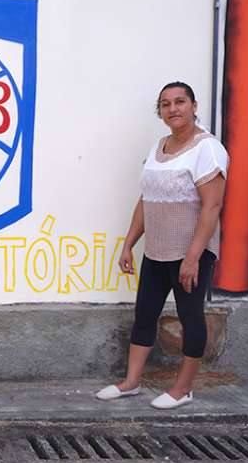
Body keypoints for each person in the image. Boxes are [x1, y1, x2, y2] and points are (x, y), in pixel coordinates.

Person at [96, 82, 228, 409]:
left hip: (191, 252)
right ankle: (131, 382)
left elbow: (212, 206)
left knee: (190, 316)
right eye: (166, 104)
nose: (173, 109)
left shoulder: (208, 149)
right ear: (161, 112)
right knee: (145, 313)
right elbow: (146, 200)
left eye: (180, 102)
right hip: (156, 249)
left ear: (194, 106)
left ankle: (183, 389)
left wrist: (193, 256)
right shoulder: (158, 147)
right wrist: (129, 244)